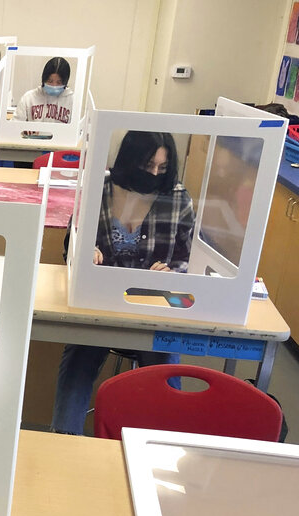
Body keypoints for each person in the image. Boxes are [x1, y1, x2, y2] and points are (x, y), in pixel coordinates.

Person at [51, 130, 195, 435]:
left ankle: (167, 446)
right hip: (101, 305)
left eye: (163, 167)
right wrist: (83, 251)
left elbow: (188, 259)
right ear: (130, 161)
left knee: (166, 365)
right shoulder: (97, 190)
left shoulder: (178, 198)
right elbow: (70, 247)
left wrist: (172, 272)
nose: (155, 174)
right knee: (78, 359)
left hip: (153, 307)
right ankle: (64, 440)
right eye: (148, 166)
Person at [13, 56, 73, 124]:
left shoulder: (72, 100)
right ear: (44, 79)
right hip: (34, 135)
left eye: (59, 82)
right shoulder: (29, 98)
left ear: (65, 82)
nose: (54, 86)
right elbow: (15, 124)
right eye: (50, 81)